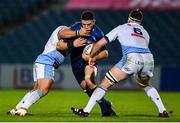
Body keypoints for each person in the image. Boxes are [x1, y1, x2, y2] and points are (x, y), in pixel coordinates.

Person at [71, 9, 169, 118]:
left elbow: (100, 43)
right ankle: (162, 110)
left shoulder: (122, 27)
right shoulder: (145, 33)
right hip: (149, 59)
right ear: (140, 21)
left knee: (104, 84)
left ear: (129, 18)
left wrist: (92, 56)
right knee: (145, 85)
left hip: (132, 57)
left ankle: (86, 111)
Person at [7, 25, 87, 116]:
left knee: (36, 89)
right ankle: (23, 109)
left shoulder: (72, 38)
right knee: (44, 89)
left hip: (42, 62)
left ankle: (16, 109)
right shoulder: (64, 29)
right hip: (47, 62)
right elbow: (61, 36)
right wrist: (77, 35)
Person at [59, 10, 117, 116]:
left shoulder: (98, 33)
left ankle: (102, 111)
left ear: (94, 22)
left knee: (89, 80)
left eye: (89, 24)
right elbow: (62, 34)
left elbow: (105, 53)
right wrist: (77, 33)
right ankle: (106, 105)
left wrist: (93, 57)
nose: (86, 27)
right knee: (87, 89)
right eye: (84, 24)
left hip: (89, 64)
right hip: (76, 65)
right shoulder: (77, 27)